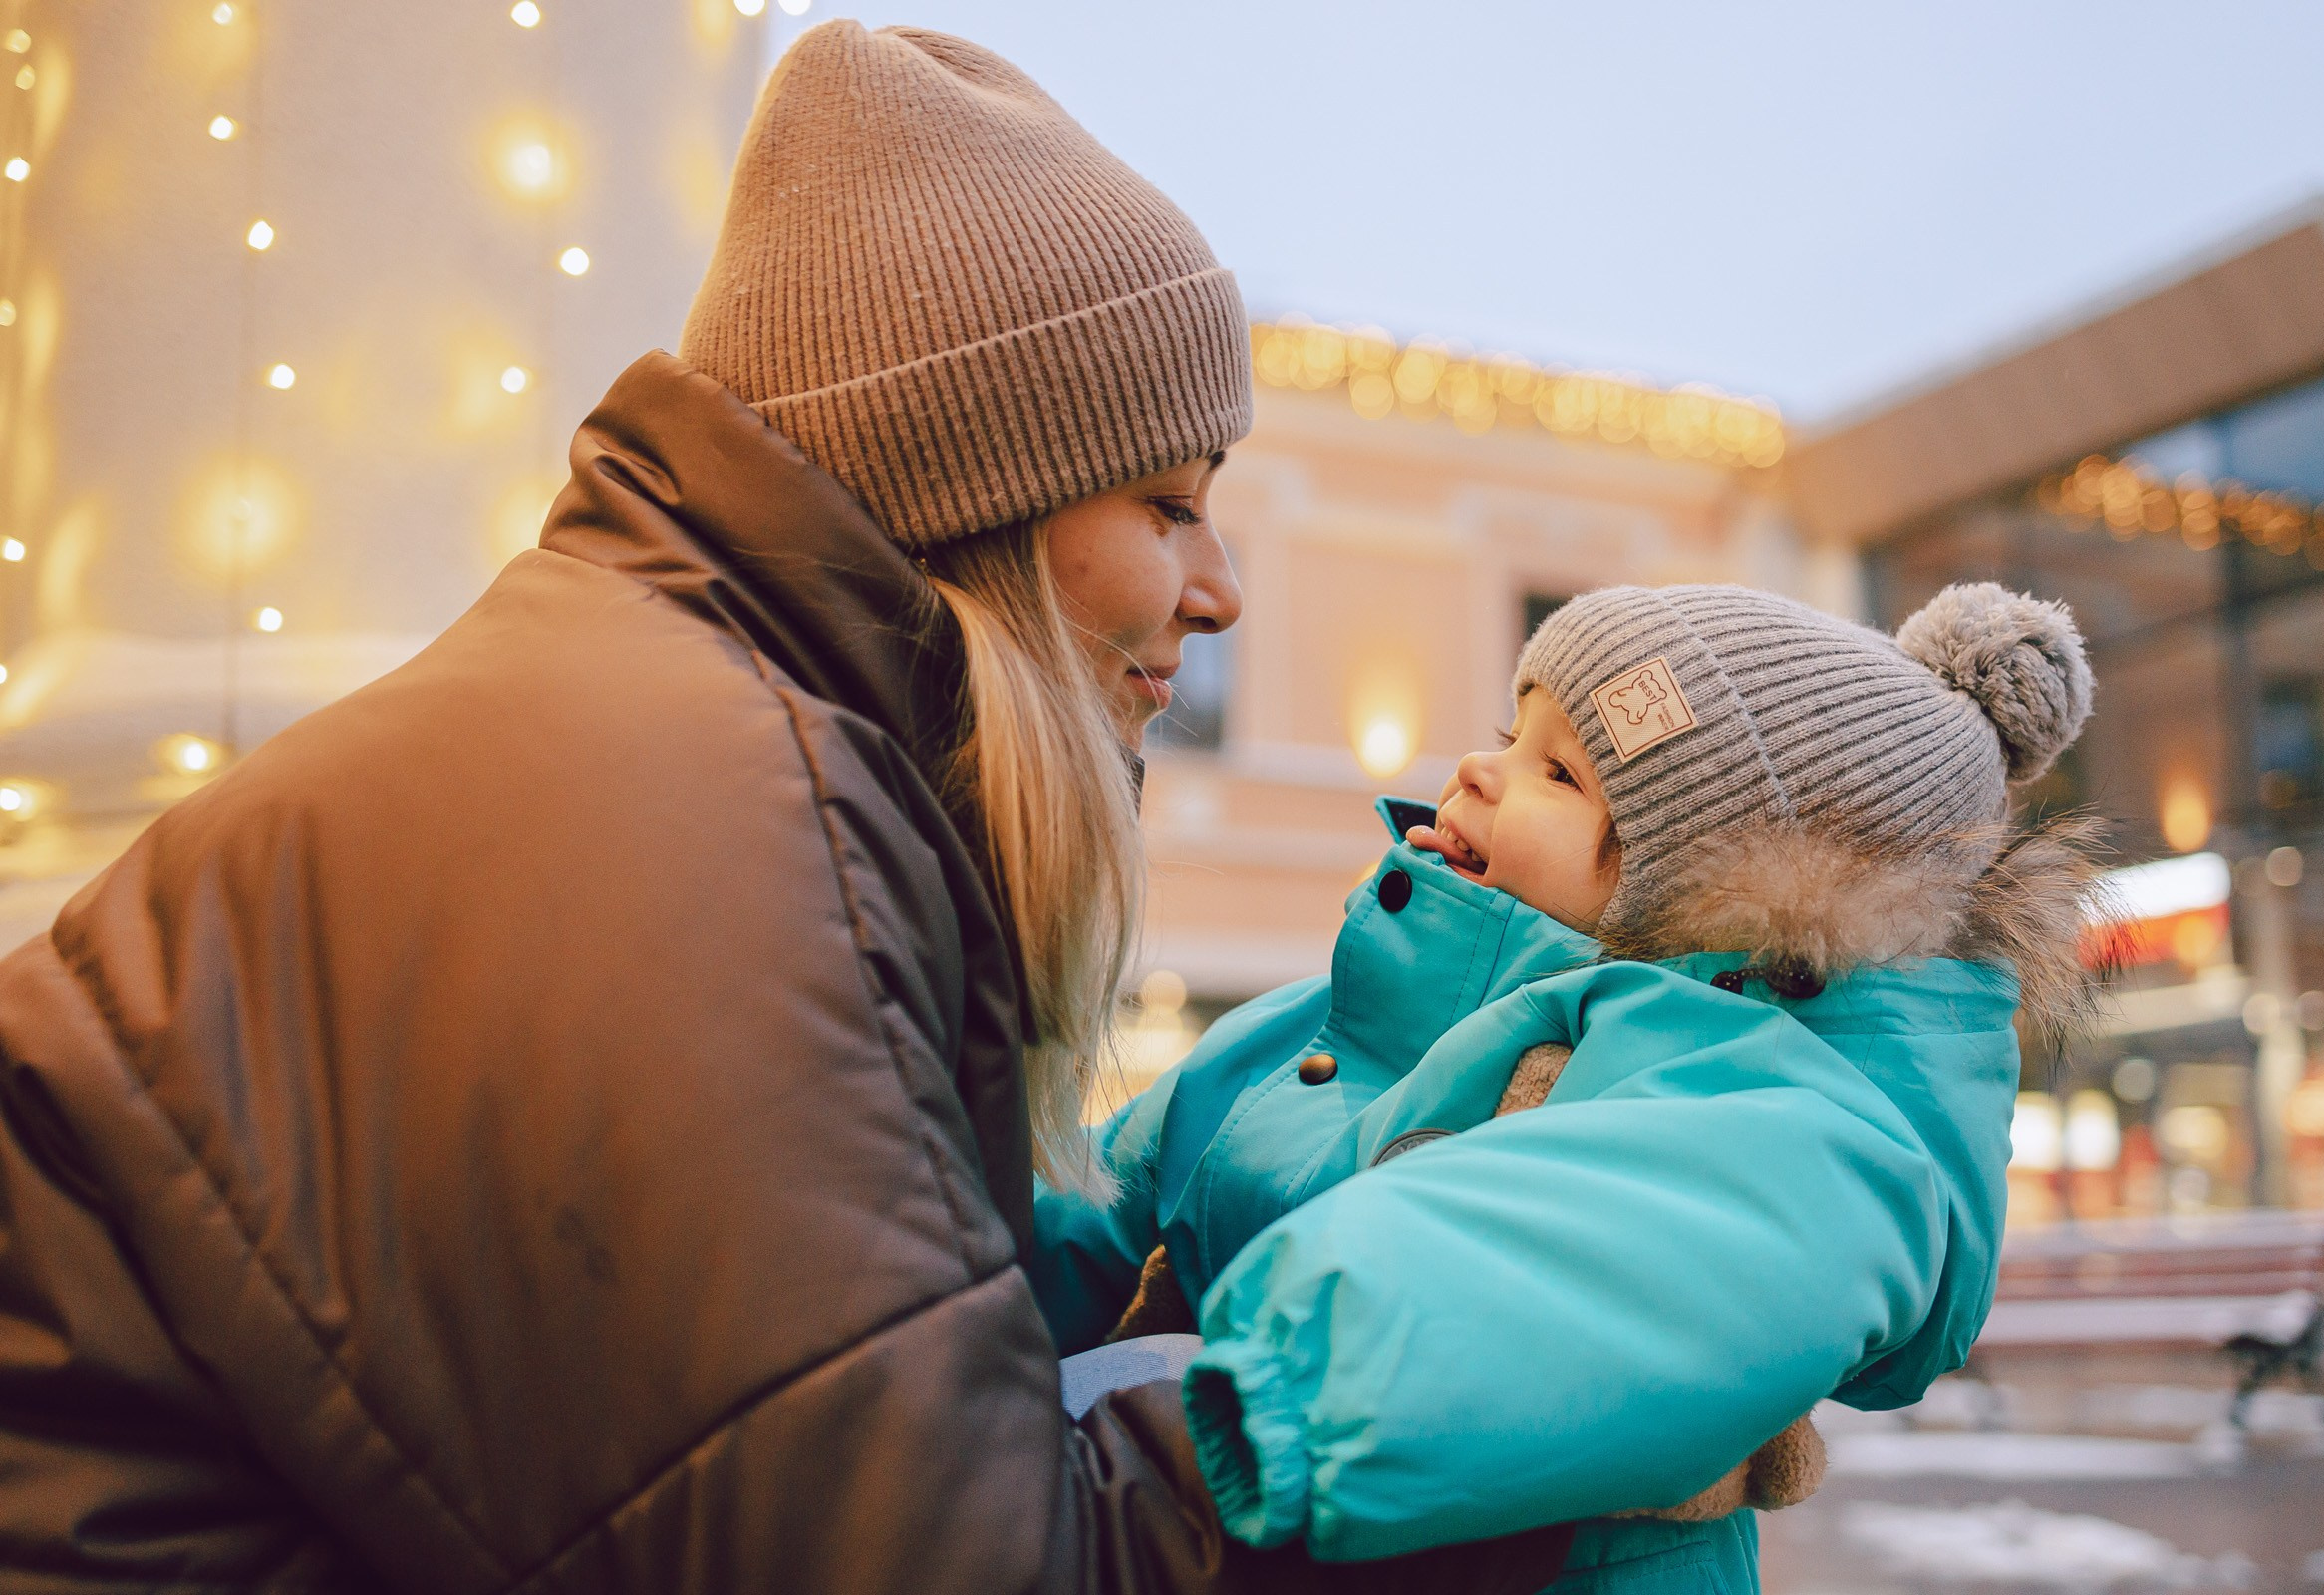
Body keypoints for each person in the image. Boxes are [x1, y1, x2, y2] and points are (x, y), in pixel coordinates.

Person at [0, 24, 1567, 1595]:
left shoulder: (678, 735)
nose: (1219, 592)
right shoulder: (716, 829)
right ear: (974, 491)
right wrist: (1489, 1405)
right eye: (1168, 505)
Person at [1034, 582, 2099, 1592]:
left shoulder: (1781, 1112)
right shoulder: (1347, 1013)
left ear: (1705, 902)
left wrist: (1252, 1409)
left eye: (1560, 775)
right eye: (1511, 735)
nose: (1478, 767)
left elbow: (1609, 1252)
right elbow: (1100, 1202)